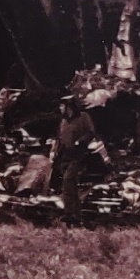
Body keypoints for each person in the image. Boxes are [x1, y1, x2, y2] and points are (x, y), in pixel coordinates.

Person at [51, 96, 109, 225]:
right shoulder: (64, 121)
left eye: (62, 106)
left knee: (68, 181)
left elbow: (90, 132)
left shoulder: (83, 117)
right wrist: (55, 153)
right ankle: (76, 215)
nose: (60, 109)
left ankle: (68, 213)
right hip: (66, 155)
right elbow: (60, 139)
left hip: (79, 155)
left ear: (69, 107)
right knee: (71, 187)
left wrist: (79, 142)